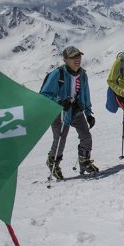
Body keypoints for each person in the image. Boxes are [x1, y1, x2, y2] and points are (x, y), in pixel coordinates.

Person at [40, 46, 98, 178]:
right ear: (65, 60)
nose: (77, 60)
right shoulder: (57, 74)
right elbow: (44, 94)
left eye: (78, 56)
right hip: (59, 112)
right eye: (73, 57)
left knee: (86, 136)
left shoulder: (82, 74)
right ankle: (53, 162)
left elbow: (86, 95)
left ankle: (84, 161)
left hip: (76, 110)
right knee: (60, 138)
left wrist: (89, 114)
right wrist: (59, 101)